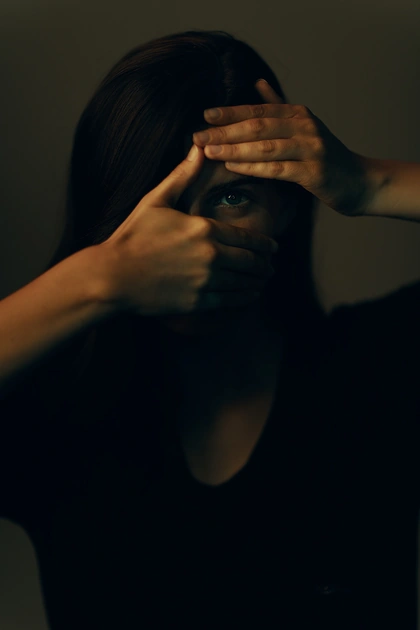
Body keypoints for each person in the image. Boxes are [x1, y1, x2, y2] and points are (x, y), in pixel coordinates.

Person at [0, 29, 419, 630]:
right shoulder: (57, 418)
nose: (191, 240)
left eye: (231, 199)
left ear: (288, 204)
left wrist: (371, 181)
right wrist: (97, 278)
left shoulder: (378, 370)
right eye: (155, 206)